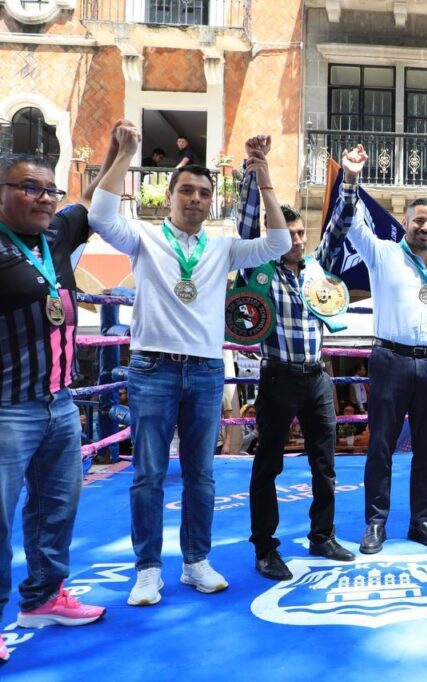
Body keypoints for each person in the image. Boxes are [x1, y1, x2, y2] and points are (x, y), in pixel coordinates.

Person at [89, 123, 290, 605]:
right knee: (148, 473)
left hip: (203, 370)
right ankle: (148, 568)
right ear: (170, 194)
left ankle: (196, 560)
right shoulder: (144, 237)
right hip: (153, 369)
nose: (195, 199)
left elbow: (279, 243)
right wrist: (125, 153)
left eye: (203, 192)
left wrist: (263, 176)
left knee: (201, 474)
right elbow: (99, 215)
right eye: (187, 190)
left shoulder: (221, 247)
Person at [324, 145, 427, 555]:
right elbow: (352, 223)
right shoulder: (382, 252)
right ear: (405, 223)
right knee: (381, 446)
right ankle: (375, 523)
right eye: (418, 221)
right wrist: (352, 178)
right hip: (390, 358)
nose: (425, 228)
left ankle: (421, 520)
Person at [0, 152, 109, 659]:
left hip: (59, 402)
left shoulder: (55, 238)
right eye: (30, 187)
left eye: (50, 190)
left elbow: (92, 203)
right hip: (6, 407)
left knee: (57, 509)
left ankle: (42, 597)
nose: (45, 198)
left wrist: (121, 153)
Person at [237, 161, 357, 580]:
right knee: (268, 463)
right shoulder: (258, 269)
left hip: (317, 377)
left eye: (302, 232)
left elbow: (339, 227)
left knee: (324, 463)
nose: (299, 238)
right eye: (290, 233)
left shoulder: (318, 270)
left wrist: (351, 181)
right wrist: (256, 174)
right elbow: (247, 223)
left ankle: (322, 536)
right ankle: (265, 548)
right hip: (277, 377)